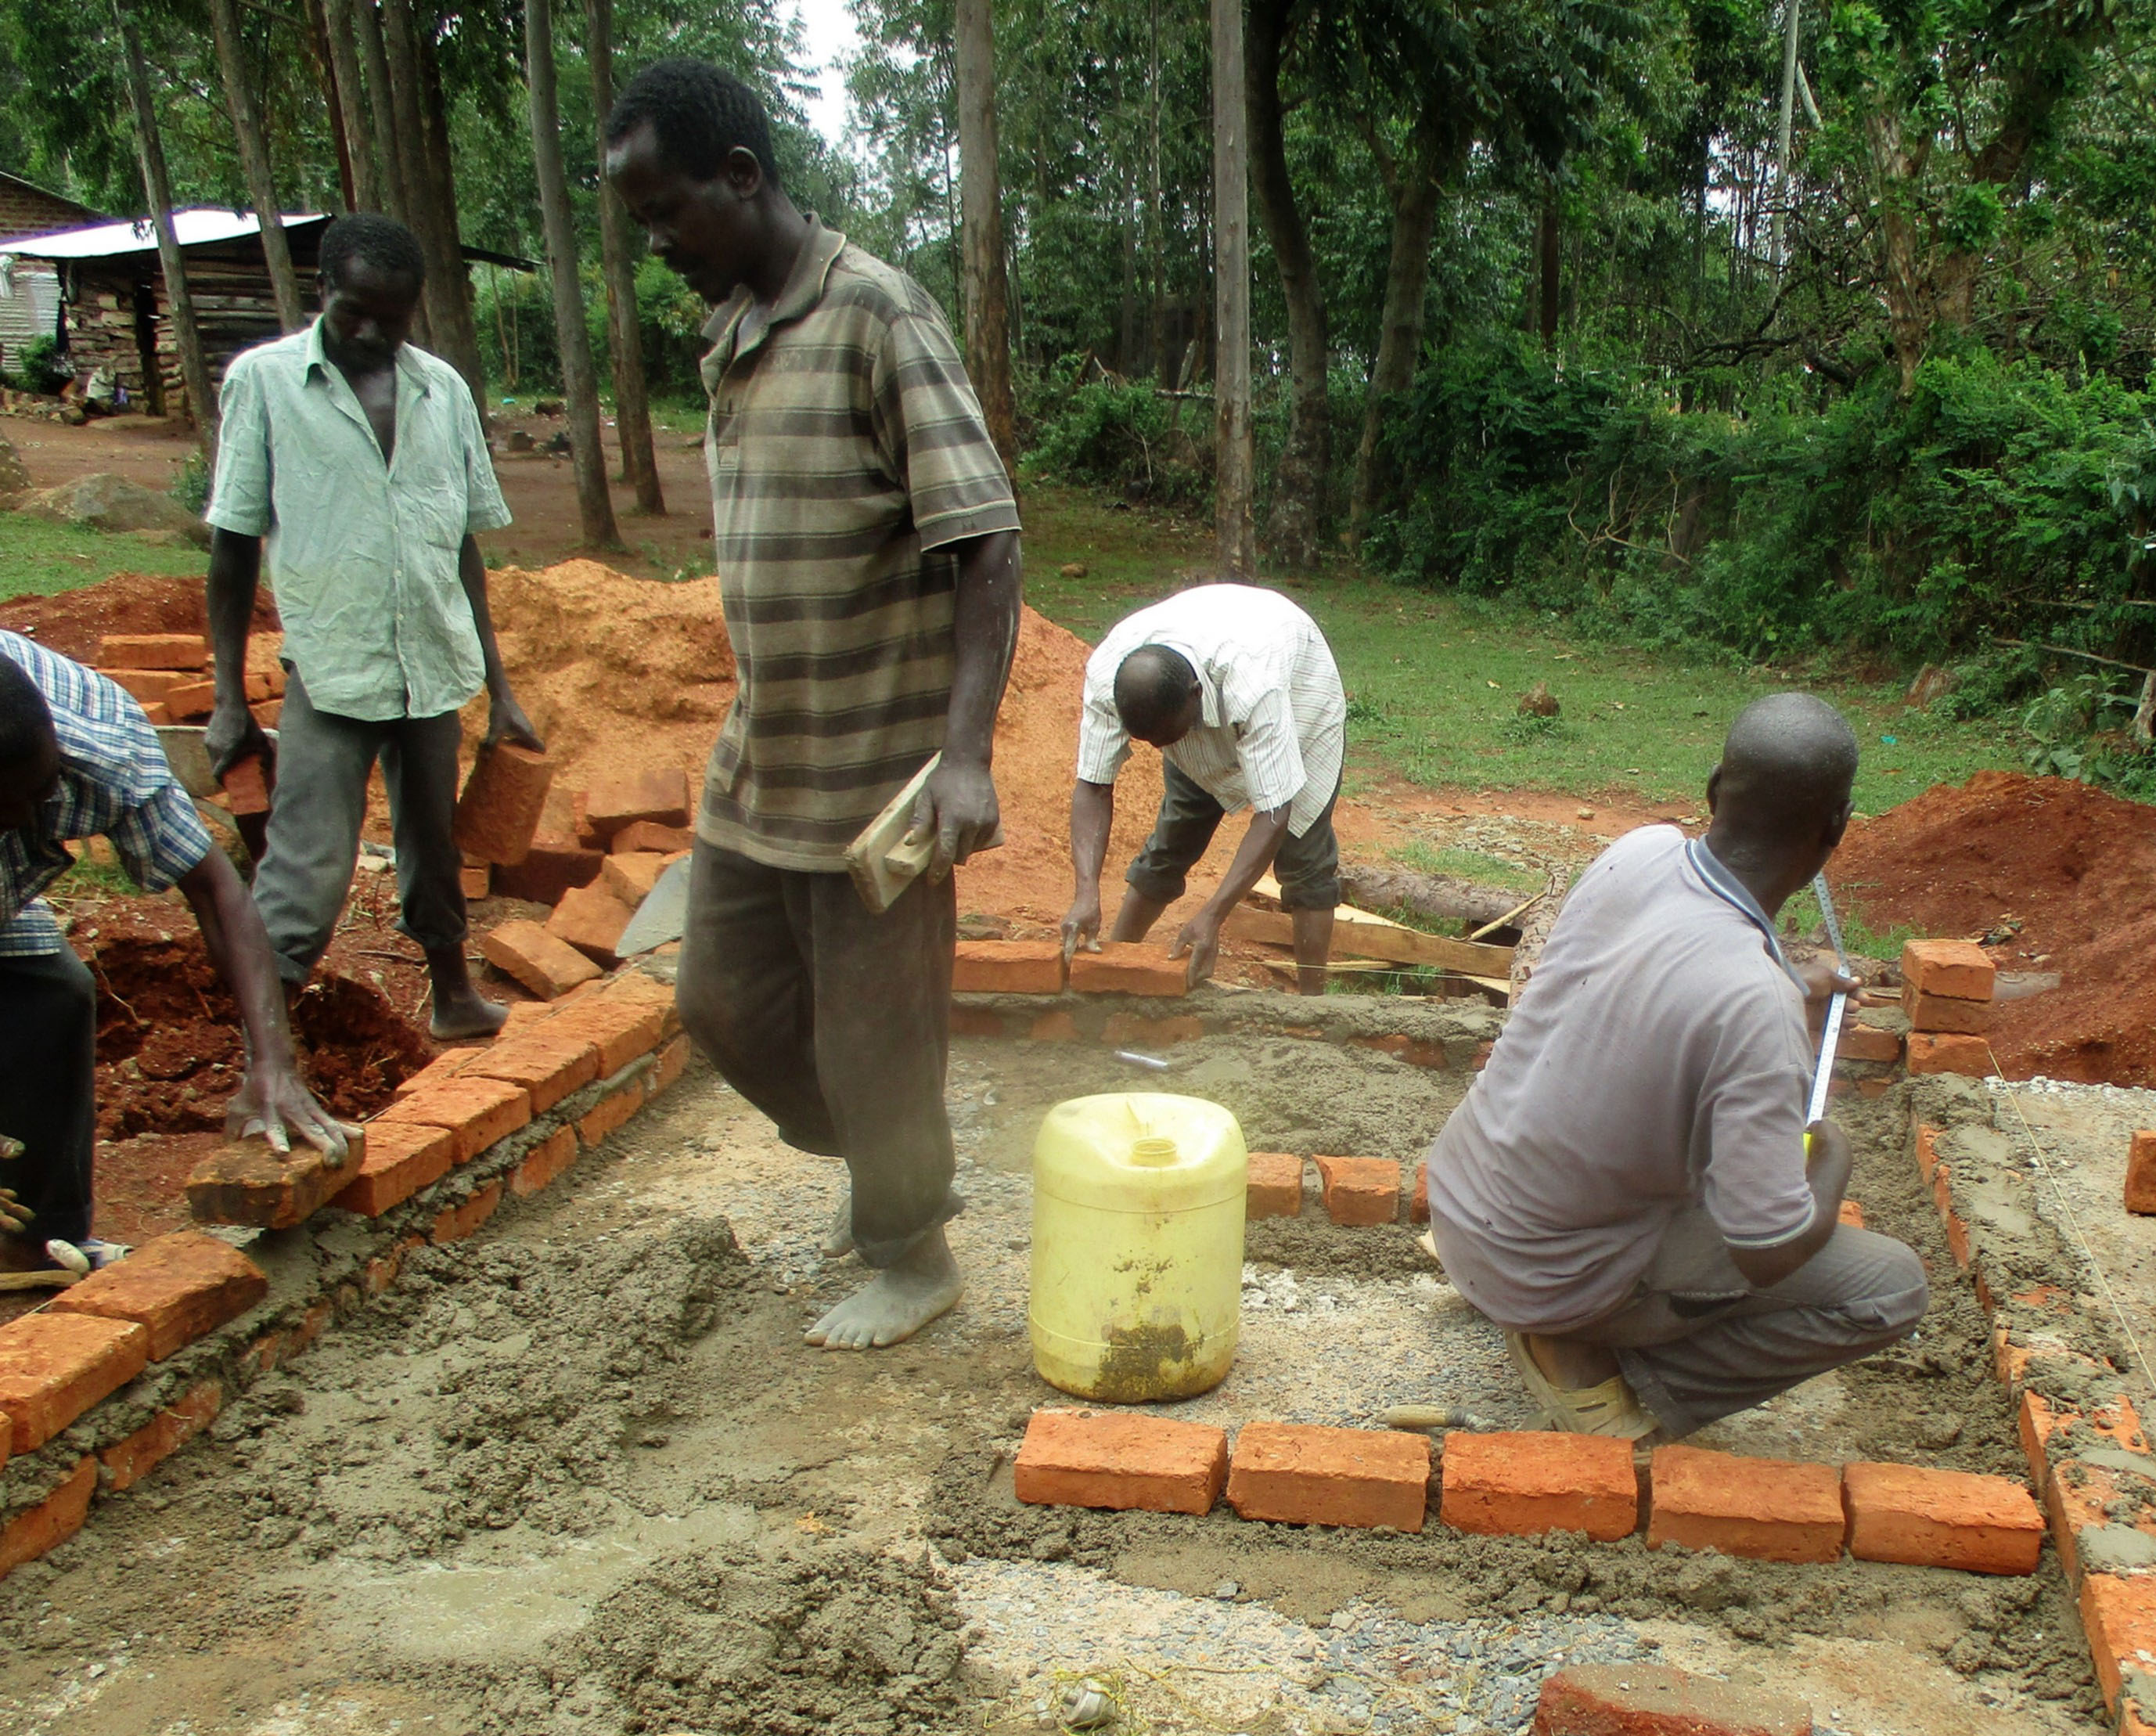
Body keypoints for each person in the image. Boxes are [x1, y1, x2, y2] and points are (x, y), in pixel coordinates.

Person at [603, 58, 1022, 1351]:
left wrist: (963, 757)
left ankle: (914, 1248)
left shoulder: (875, 314)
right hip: (761, 763)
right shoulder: (731, 331)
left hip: (878, 784)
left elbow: (987, 541)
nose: (657, 244)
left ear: (740, 178)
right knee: (720, 1003)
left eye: (667, 213)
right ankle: (894, 1164)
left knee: (875, 1033)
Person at [1423, 693, 1928, 1440]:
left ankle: (1554, 1300)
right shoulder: (1755, 1008)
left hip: (1466, 1210)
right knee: (1891, 1287)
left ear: (1716, 788)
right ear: (1836, 830)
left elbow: (1669, 976)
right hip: (1544, 1278)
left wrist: (1785, 985)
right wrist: (1832, 1160)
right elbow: (1766, 1251)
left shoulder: (1640, 850)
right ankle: (1594, 1362)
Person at [203, 212, 538, 1043]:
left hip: (430, 662)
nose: (371, 331)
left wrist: (501, 688)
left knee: (434, 845)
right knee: (308, 863)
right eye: (355, 310)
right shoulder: (267, 383)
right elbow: (233, 547)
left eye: (392, 317)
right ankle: (267, 1053)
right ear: (323, 292)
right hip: (332, 664)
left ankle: (453, 996)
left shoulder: (443, 391)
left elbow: (460, 548)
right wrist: (225, 697)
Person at [0, 638, 355, 1273]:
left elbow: (218, 893)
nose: (29, 815)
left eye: (40, 793)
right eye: (4, 808)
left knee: (52, 993)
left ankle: (35, 1246)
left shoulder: (103, 745)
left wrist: (272, 1062)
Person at [1062, 585, 1346, 992]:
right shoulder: (1111, 677)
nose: (1161, 749)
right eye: (1151, 741)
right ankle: (1112, 968)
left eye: (1168, 736)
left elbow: (1274, 813)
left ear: (1195, 697)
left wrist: (1213, 915)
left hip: (1300, 704)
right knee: (1173, 838)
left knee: (1305, 860)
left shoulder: (1255, 681)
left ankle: (1311, 1005)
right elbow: (1092, 785)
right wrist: (1085, 892)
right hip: (1208, 694)